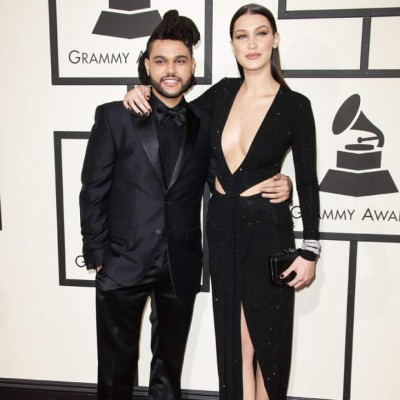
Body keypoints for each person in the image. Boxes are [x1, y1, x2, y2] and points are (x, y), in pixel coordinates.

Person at [80, 9, 291, 400]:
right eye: (160, 61)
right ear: (146, 66)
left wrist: (282, 182)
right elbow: (92, 189)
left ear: (193, 66)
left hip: (180, 264)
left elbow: (232, 171)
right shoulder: (115, 116)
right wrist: (97, 254)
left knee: (168, 374)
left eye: (180, 60)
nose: (170, 70)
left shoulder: (206, 119)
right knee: (114, 373)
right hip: (121, 261)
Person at [124, 3, 320, 400]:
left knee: (267, 344)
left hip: (269, 232)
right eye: (242, 36)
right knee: (236, 344)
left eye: (261, 33)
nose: (252, 44)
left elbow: (309, 179)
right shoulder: (222, 94)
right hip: (223, 228)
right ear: (231, 45)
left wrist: (311, 247)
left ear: (275, 39)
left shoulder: (295, 106)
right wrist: (139, 87)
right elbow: (172, 109)